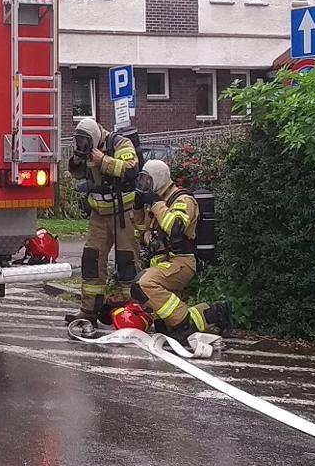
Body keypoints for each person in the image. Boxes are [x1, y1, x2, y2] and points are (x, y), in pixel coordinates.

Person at [129, 158, 231, 343]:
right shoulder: (158, 200)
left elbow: (175, 227)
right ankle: (215, 313)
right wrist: (138, 207)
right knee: (164, 327)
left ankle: (184, 326)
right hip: (163, 263)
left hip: (181, 262)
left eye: (147, 180)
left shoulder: (183, 200)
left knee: (142, 284)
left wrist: (155, 203)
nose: (144, 185)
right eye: (142, 180)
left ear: (158, 179)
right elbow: (142, 227)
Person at [65, 117, 141, 324]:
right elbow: (80, 175)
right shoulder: (87, 148)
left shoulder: (120, 143)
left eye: (85, 141)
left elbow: (131, 169)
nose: (83, 145)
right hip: (99, 215)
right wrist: (77, 161)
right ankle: (89, 311)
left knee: (127, 261)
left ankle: (133, 312)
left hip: (123, 213)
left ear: (96, 136)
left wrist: (103, 161)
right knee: (91, 259)